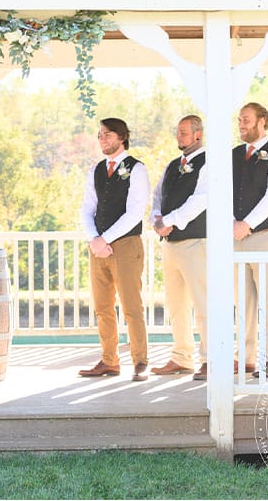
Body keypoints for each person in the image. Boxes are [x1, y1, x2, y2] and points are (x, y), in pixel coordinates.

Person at [78, 118, 151, 382]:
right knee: (103, 307)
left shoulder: (136, 169)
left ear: (122, 137)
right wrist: (94, 238)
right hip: (98, 247)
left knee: (132, 306)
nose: (102, 140)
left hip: (126, 245)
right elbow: (87, 208)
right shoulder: (96, 170)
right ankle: (109, 360)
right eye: (99, 135)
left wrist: (105, 238)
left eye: (107, 135)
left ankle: (140, 361)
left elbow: (135, 212)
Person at [233, 102, 268, 378]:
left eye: (246, 119)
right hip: (236, 236)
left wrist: (248, 223)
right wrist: (232, 223)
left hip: (266, 235)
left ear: (262, 121)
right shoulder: (233, 154)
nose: (241, 124)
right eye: (239, 120)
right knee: (242, 301)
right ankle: (246, 358)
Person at [150, 116, 209, 381]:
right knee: (176, 304)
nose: (179, 137)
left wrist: (170, 220)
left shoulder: (208, 162)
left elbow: (201, 199)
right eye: (177, 132)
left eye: (184, 132)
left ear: (198, 134)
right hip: (170, 244)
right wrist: (156, 220)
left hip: (196, 241)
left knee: (203, 302)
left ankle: (211, 358)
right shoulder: (173, 165)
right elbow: (158, 195)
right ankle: (182, 357)